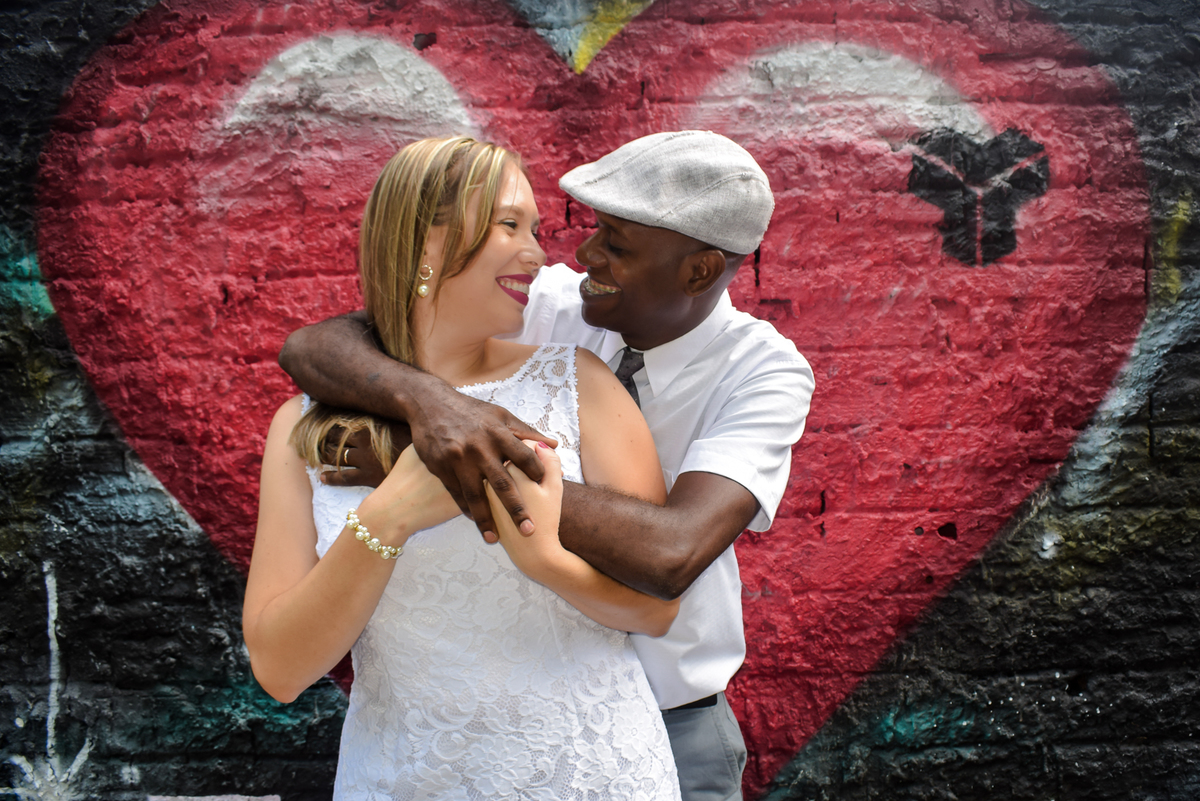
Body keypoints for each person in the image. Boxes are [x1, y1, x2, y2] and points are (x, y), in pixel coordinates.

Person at [281, 130, 816, 801]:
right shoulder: (557, 301)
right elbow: (318, 345)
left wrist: (431, 459)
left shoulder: (764, 374)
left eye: (617, 243)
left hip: (676, 725)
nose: (585, 253)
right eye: (595, 228)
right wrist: (432, 408)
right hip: (502, 723)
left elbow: (670, 552)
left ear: (699, 271)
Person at [244, 135, 683, 799]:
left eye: (535, 229)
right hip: (402, 780)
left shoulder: (578, 385)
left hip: (589, 775)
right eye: (509, 224)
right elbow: (279, 669)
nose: (537, 254)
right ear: (425, 242)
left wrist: (547, 562)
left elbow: (658, 611)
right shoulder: (305, 427)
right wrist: (387, 518)